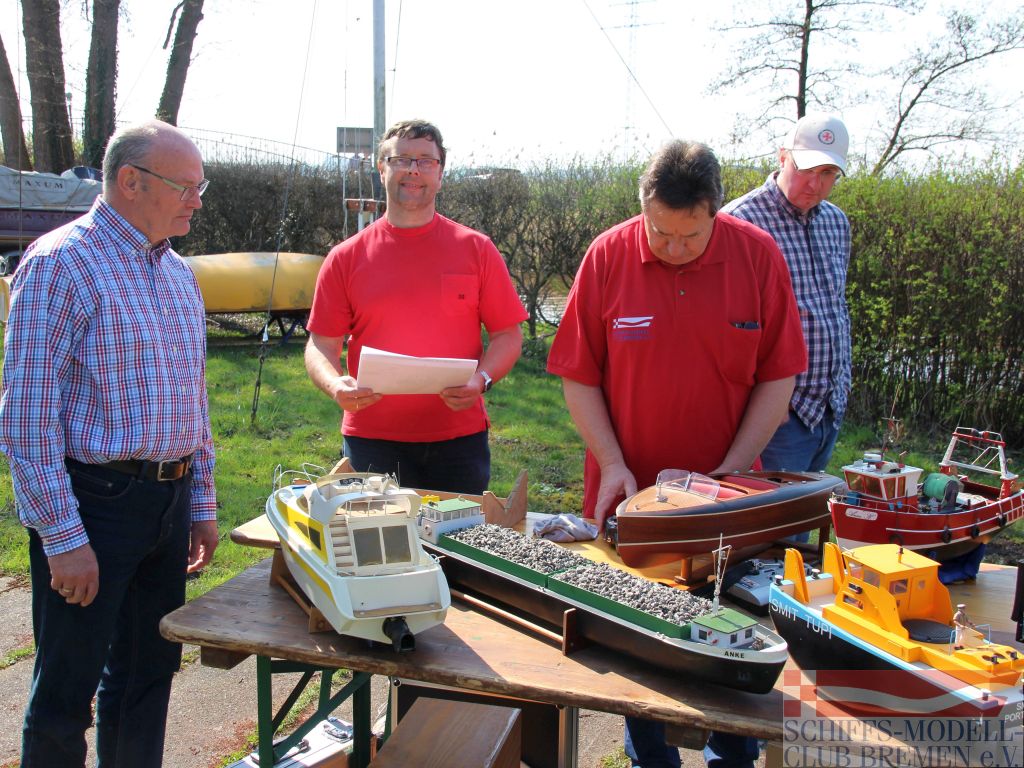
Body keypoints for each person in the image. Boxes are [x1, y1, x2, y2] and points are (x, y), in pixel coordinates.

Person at [547, 140, 806, 768]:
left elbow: (779, 376)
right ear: (643, 208)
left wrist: (735, 473)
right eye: (659, 232)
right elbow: (578, 376)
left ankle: (732, 755)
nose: (673, 247)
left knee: (733, 641)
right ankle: (649, 758)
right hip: (629, 500)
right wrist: (612, 463)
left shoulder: (758, 256)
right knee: (640, 651)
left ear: (717, 211)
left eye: (690, 236)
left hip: (730, 505)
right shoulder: (608, 255)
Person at [0, 120, 219, 767]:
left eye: (200, 186)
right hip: (95, 504)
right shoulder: (59, 265)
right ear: (130, 181)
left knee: (147, 679)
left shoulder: (179, 276)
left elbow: (193, 399)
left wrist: (201, 504)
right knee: (65, 694)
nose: (197, 200)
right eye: (186, 186)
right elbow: (28, 419)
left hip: (169, 501)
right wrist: (62, 538)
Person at [305, 119, 526, 494]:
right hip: (372, 439)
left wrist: (482, 380)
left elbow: (507, 334)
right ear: (382, 169)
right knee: (381, 534)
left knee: (460, 532)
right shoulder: (345, 257)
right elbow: (320, 343)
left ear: (440, 173)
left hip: (459, 439)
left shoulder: (476, 249)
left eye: (425, 160)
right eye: (401, 159)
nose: (413, 170)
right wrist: (335, 385)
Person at [722, 113, 851, 475]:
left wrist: (841, 386)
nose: (815, 183)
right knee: (768, 511)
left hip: (828, 409)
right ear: (782, 157)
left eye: (828, 173)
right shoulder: (740, 222)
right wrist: (769, 405)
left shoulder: (836, 223)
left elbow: (836, 308)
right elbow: (724, 328)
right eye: (806, 168)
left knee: (810, 507)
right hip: (776, 417)